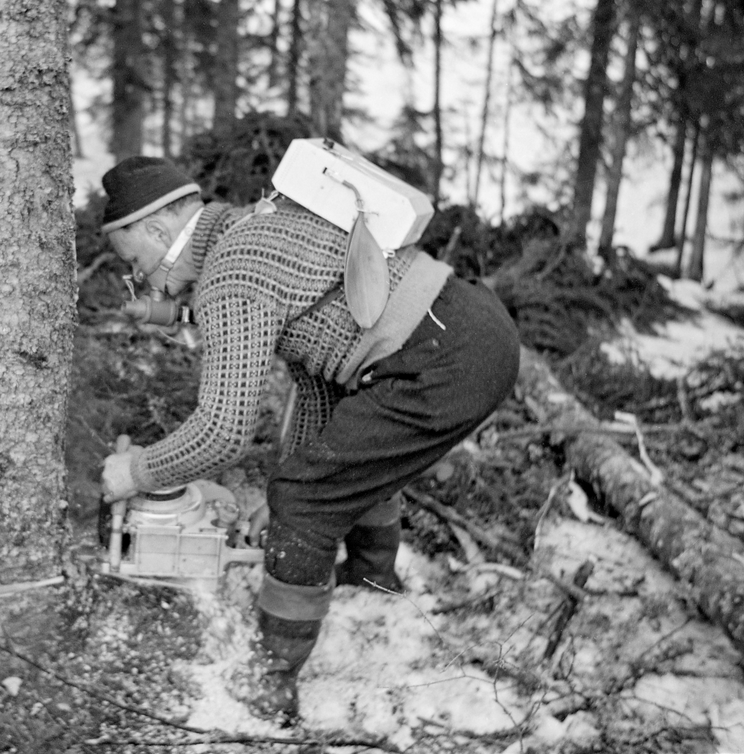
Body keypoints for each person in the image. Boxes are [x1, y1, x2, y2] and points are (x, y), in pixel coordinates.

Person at [99, 155, 520, 722]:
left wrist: (136, 472)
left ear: (158, 229)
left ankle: (269, 680)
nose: (142, 279)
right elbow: (321, 386)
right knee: (346, 455)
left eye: (136, 262)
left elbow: (223, 431)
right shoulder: (257, 228)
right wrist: (282, 486)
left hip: (445, 357)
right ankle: (373, 584)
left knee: (305, 497)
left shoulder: (232, 273)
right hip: (468, 328)